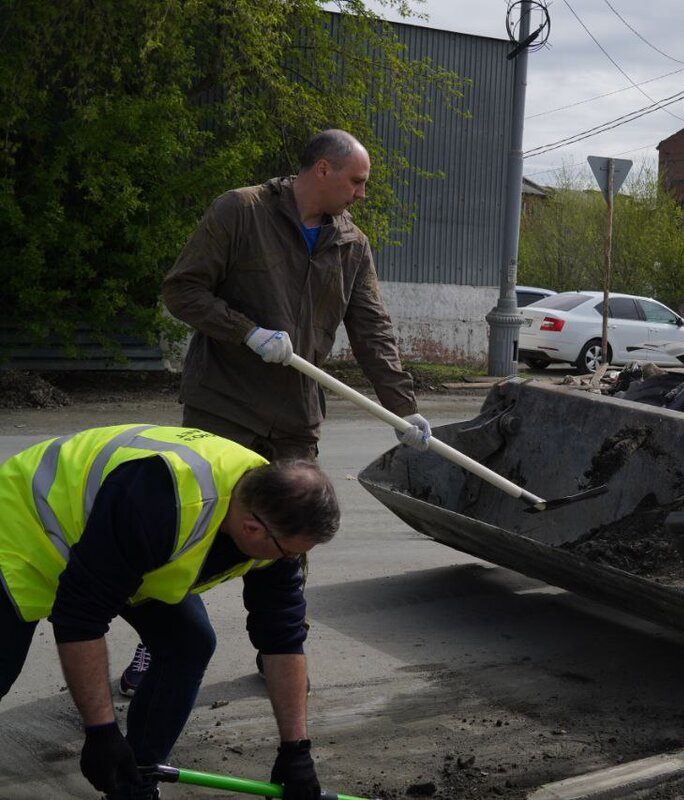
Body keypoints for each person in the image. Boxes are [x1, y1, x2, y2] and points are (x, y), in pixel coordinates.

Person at [117, 129, 431, 694]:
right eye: (356, 181)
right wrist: (247, 333)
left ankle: (280, 648)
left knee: (288, 540)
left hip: (294, 418)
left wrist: (403, 411)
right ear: (322, 171)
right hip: (224, 406)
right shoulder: (241, 212)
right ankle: (158, 641)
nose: (362, 193)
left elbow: (372, 330)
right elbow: (182, 291)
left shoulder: (351, 245)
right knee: (197, 529)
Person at [0, 424, 341, 799]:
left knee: (188, 643)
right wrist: (101, 732)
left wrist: (296, 750)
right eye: (289, 552)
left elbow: (283, 638)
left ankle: (134, 780)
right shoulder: (164, 502)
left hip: (113, 542)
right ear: (251, 528)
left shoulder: (271, 506)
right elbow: (79, 619)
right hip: (23, 526)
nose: (291, 561)